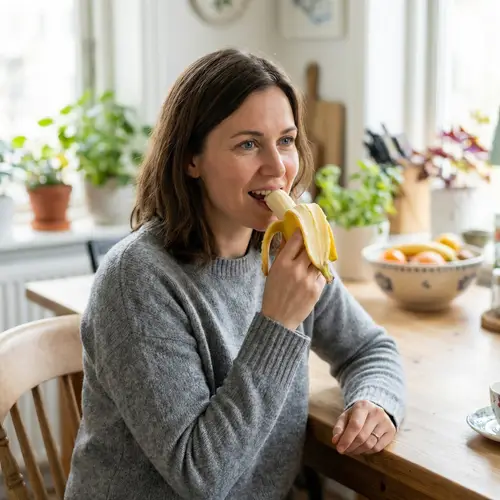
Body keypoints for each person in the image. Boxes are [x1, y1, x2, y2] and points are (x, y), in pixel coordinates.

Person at [64, 48, 406, 500]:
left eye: (286, 140)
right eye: (248, 144)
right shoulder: (138, 280)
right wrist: (279, 323)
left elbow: (369, 347)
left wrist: (375, 402)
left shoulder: (287, 244)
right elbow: (201, 478)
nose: (279, 167)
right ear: (191, 160)